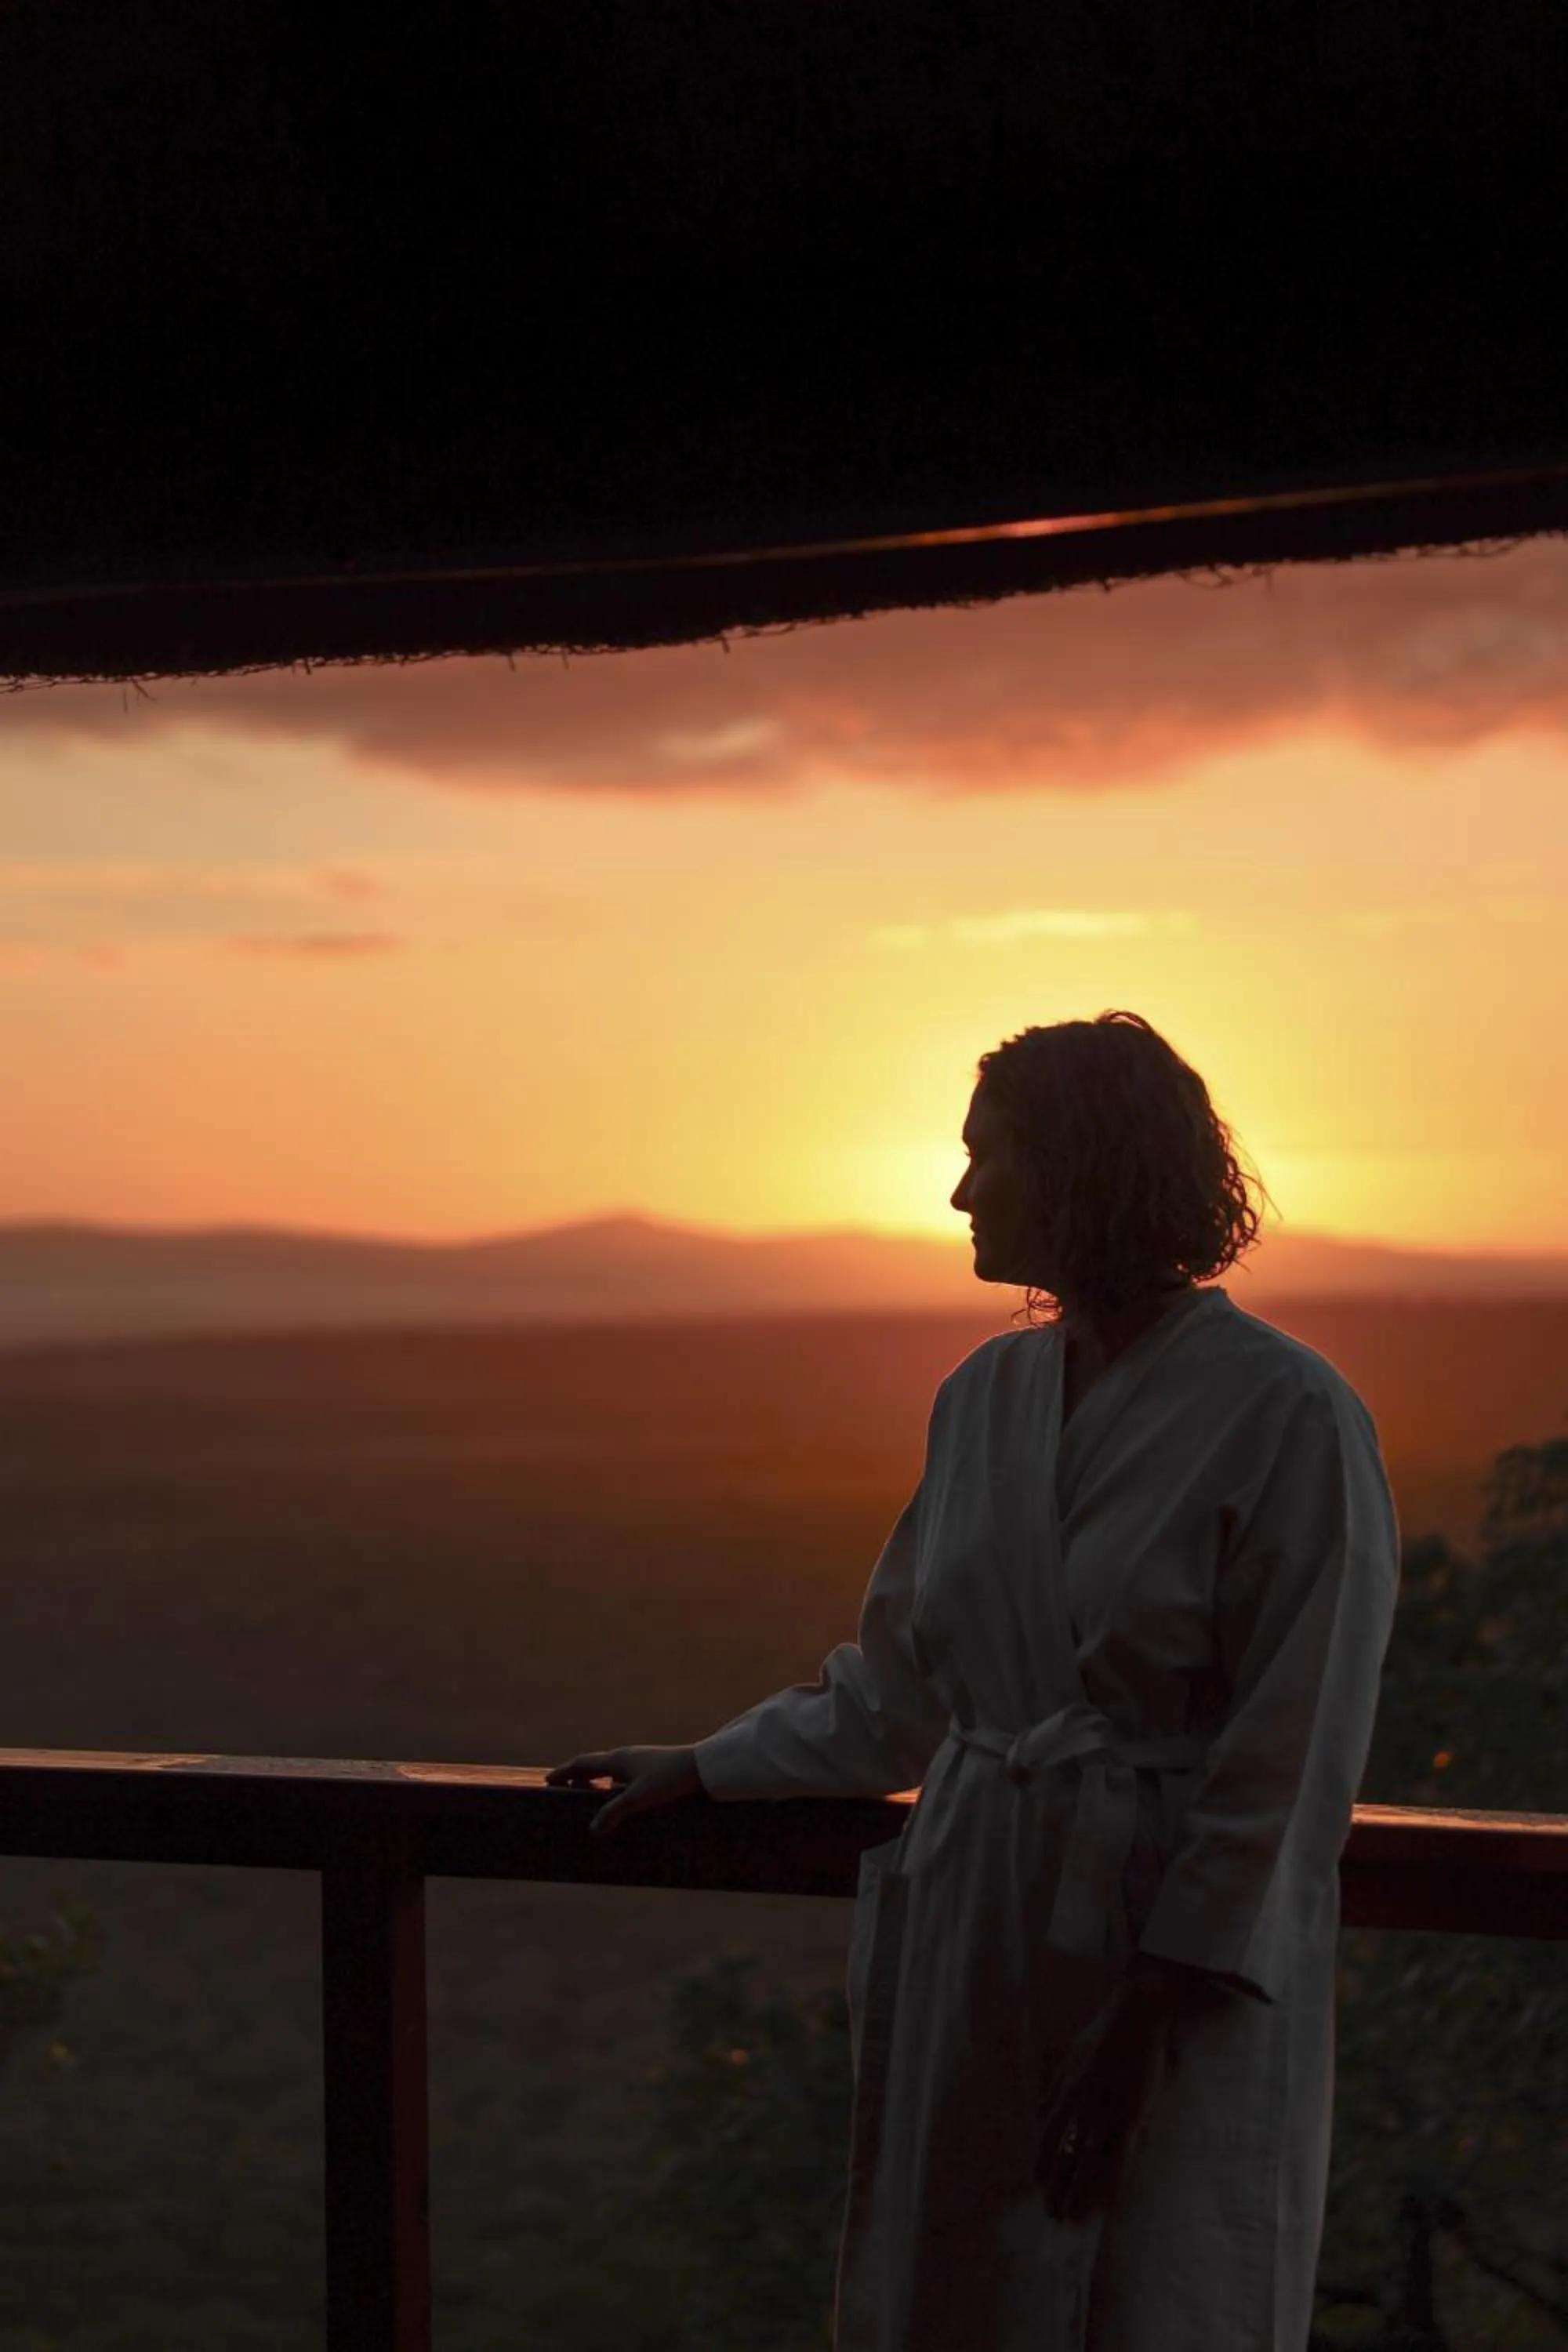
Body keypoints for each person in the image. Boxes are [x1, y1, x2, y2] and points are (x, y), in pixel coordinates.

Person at [549, 1010, 1401, 2352]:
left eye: (983, 1156)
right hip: (977, 1925)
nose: (955, 1191)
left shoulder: (1289, 1414)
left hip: (1172, 1972)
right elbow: (898, 1691)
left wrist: (1143, 2018)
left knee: (1160, 2293)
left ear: (1081, 1167)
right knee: (965, 2294)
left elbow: (1289, 1760)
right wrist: (708, 1766)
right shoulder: (982, 1401)